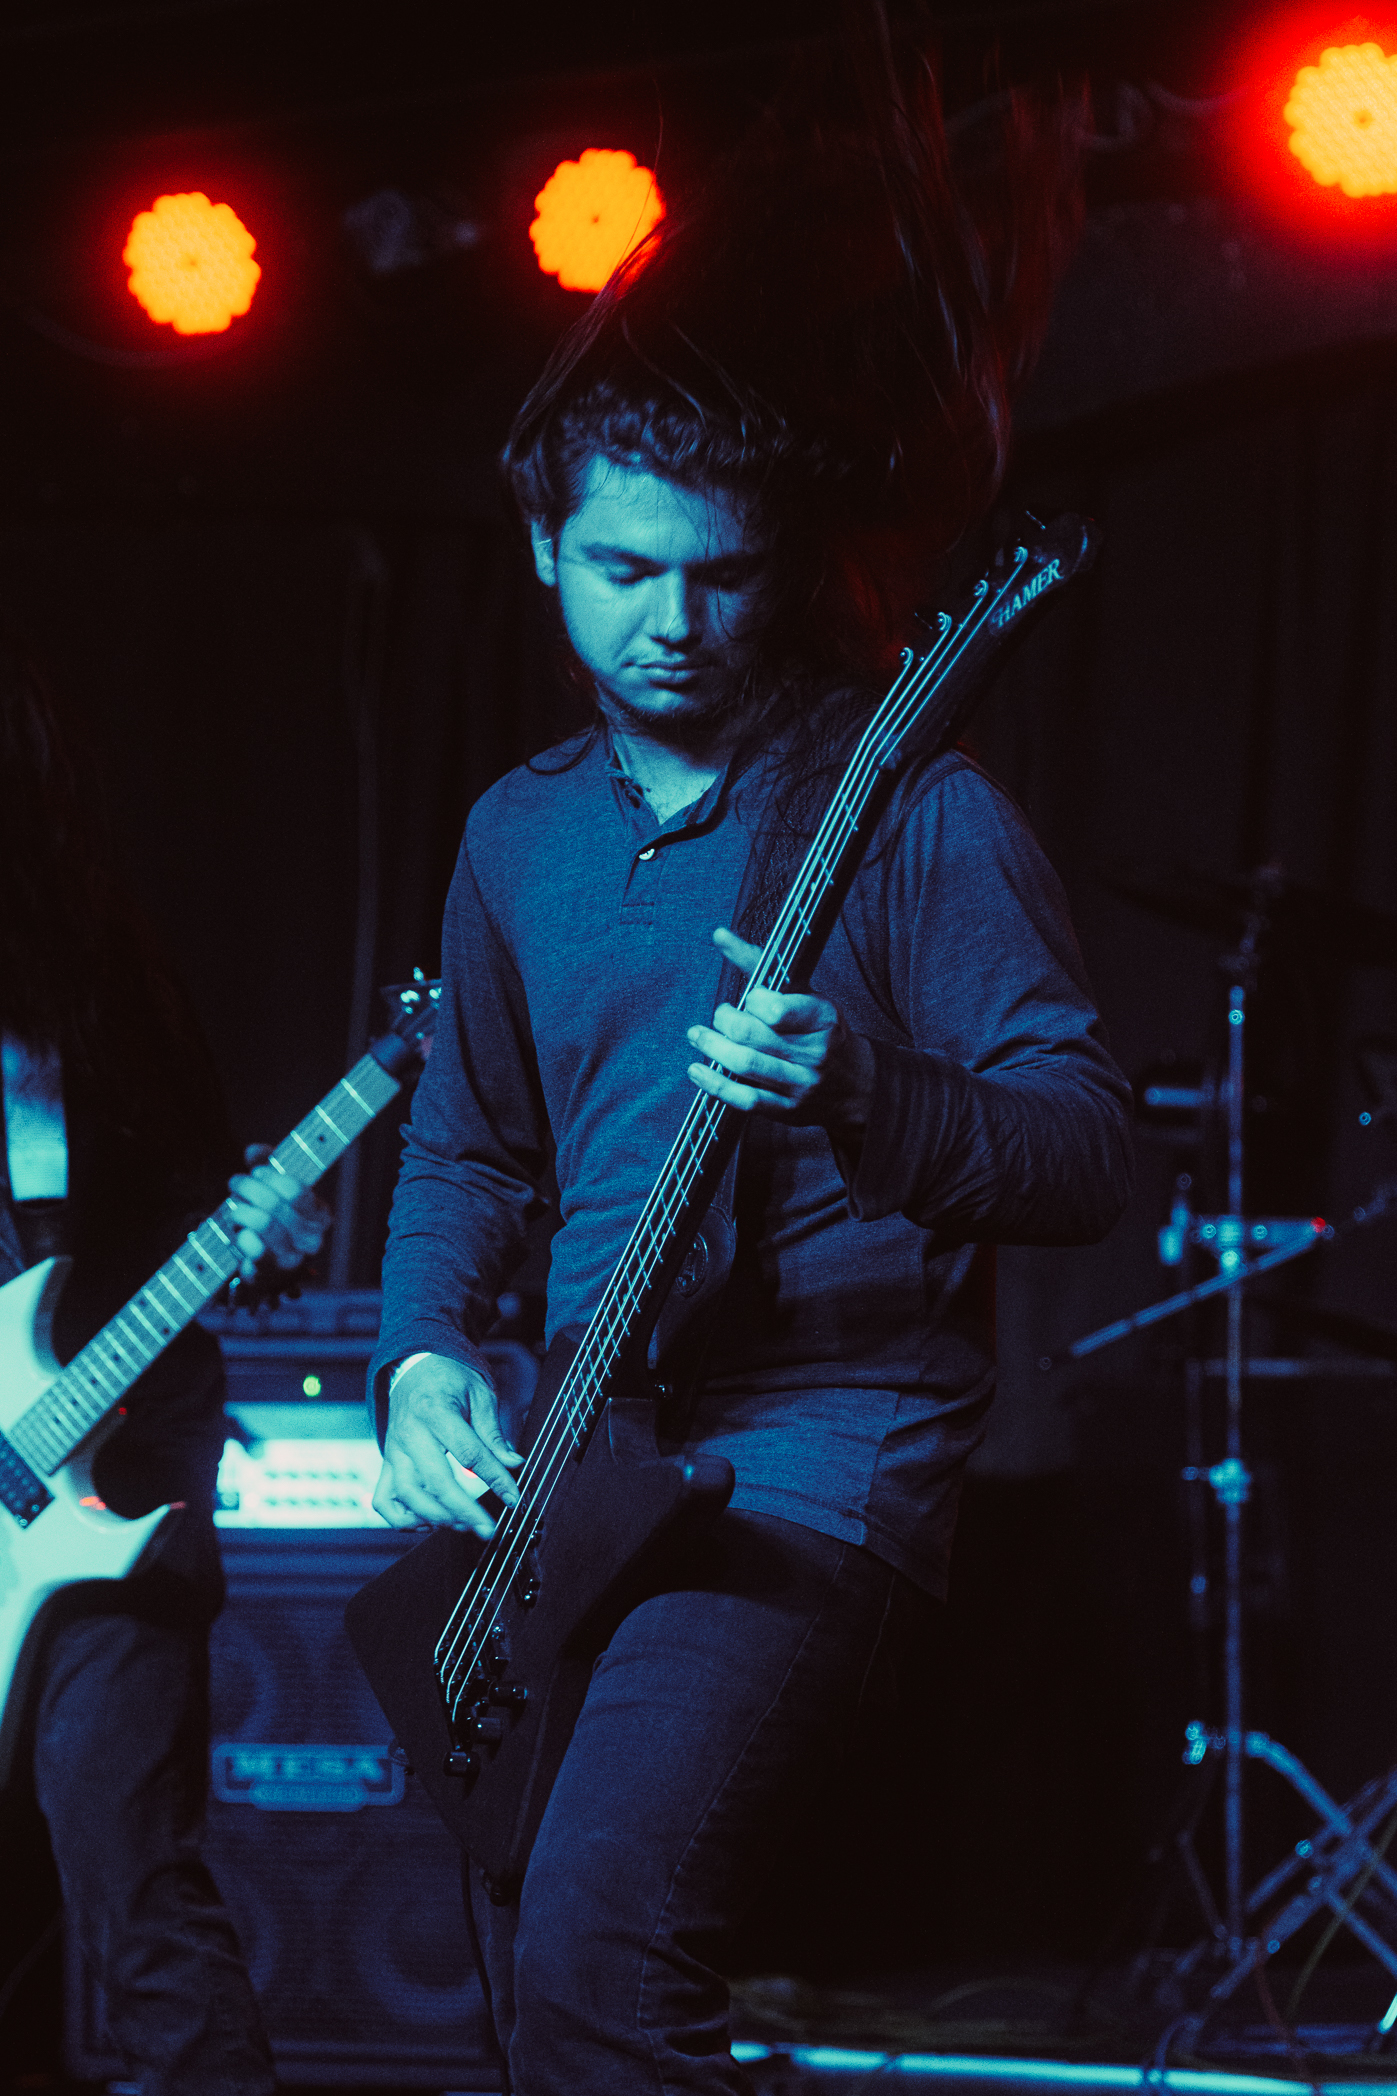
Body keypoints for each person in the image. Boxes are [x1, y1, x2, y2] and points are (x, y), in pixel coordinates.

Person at [368, 14, 1133, 2091]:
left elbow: (1088, 1151)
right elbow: (470, 1152)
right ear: (544, 547)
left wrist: (865, 1091)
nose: (674, 621)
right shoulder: (515, 833)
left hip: (818, 1451)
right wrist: (420, 1358)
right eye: (625, 569)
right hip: (583, 1444)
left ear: (778, 570)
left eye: (719, 578)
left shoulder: (909, 811)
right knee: (526, 1968)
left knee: (604, 1953)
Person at [0, 624, 328, 2096]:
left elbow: (223, 1230)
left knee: (135, 1891)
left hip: (115, 1512)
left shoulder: (117, 1003)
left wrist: (272, 1235)